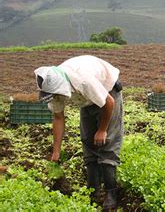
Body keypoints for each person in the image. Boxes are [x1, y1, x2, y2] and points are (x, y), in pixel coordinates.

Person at [34, 55, 123, 209]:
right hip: (86, 101)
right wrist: (56, 152)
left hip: (108, 93)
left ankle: (111, 192)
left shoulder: (83, 81)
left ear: (60, 88)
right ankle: (93, 190)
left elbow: (109, 103)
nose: (55, 98)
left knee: (107, 144)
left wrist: (102, 130)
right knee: (88, 142)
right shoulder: (53, 87)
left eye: (56, 95)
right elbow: (58, 118)